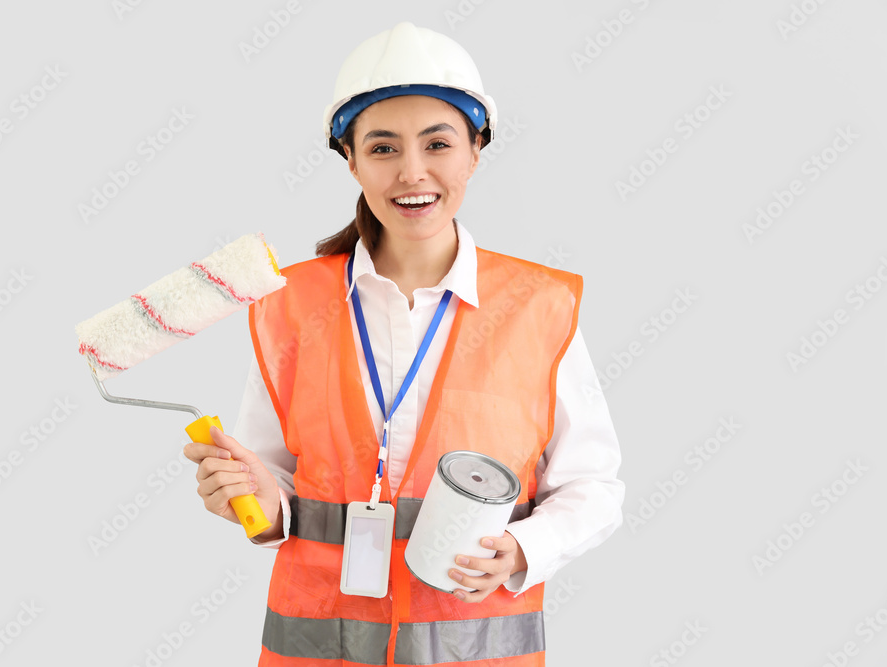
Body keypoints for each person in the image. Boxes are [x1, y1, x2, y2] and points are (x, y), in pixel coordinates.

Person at [183, 21, 625, 666]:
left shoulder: (538, 308)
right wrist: (252, 498)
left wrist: (526, 549)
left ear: (475, 151)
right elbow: (274, 475)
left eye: (438, 143)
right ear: (351, 159)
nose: (412, 171)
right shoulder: (291, 304)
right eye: (383, 148)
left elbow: (593, 486)